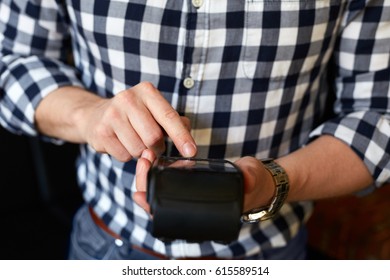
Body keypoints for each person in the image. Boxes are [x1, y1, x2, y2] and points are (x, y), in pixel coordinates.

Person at [0, 0, 389, 260]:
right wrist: (92, 116)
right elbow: (10, 60)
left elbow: (378, 114)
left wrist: (273, 182)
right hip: (107, 248)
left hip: (268, 254)